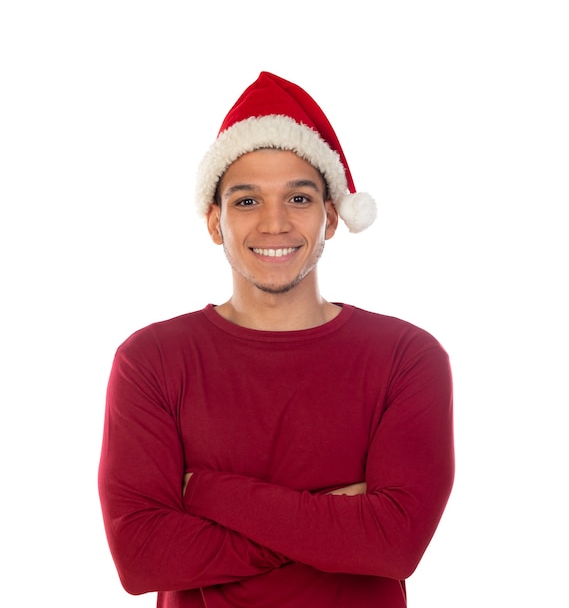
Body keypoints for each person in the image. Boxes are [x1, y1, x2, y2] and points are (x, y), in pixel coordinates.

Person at [98, 71, 454, 607]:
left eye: (298, 198)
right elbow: (143, 556)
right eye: (246, 201)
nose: (273, 224)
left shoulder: (406, 358)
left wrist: (206, 491)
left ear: (331, 217)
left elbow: (392, 545)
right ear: (214, 221)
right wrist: (332, 526)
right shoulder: (151, 360)